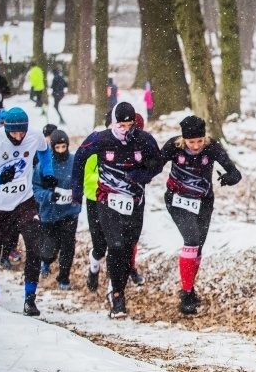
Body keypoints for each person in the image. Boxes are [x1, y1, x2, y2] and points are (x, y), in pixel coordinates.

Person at [71, 102, 161, 318]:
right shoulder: (100, 138)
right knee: (116, 244)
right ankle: (118, 295)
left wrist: (144, 174)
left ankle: (116, 285)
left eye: (129, 125)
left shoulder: (143, 139)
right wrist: (76, 190)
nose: (125, 130)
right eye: (121, 125)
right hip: (107, 200)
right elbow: (80, 158)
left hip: (134, 201)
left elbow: (157, 162)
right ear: (113, 123)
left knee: (128, 247)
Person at [0, 107, 56, 315]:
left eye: (21, 132)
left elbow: (44, 151)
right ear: (6, 128)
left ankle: (30, 298)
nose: (18, 137)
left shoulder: (33, 135)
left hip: (23, 201)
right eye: (14, 133)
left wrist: (48, 172)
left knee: (34, 244)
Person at [154, 116, 242, 313]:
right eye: (191, 142)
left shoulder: (212, 147)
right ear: (183, 139)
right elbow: (154, 166)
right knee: (191, 240)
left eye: (199, 141)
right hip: (177, 199)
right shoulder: (173, 146)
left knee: (198, 246)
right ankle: (185, 294)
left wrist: (229, 178)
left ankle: (190, 288)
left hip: (203, 201)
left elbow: (235, 173)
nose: (195, 146)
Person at [82, 112, 148, 293]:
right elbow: (86, 175)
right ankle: (94, 269)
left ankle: (119, 282)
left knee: (123, 242)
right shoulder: (98, 147)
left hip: (125, 200)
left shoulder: (136, 148)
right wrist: (112, 182)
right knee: (100, 245)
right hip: (97, 200)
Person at [33, 130, 79, 290]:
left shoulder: (75, 161)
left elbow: (82, 181)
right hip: (50, 213)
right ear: (52, 148)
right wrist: (48, 195)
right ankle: (46, 262)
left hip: (70, 211)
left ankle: (63, 277)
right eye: (57, 147)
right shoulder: (44, 164)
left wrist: (78, 193)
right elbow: (35, 188)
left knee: (68, 246)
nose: (61, 150)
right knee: (50, 249)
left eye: (63, 146)